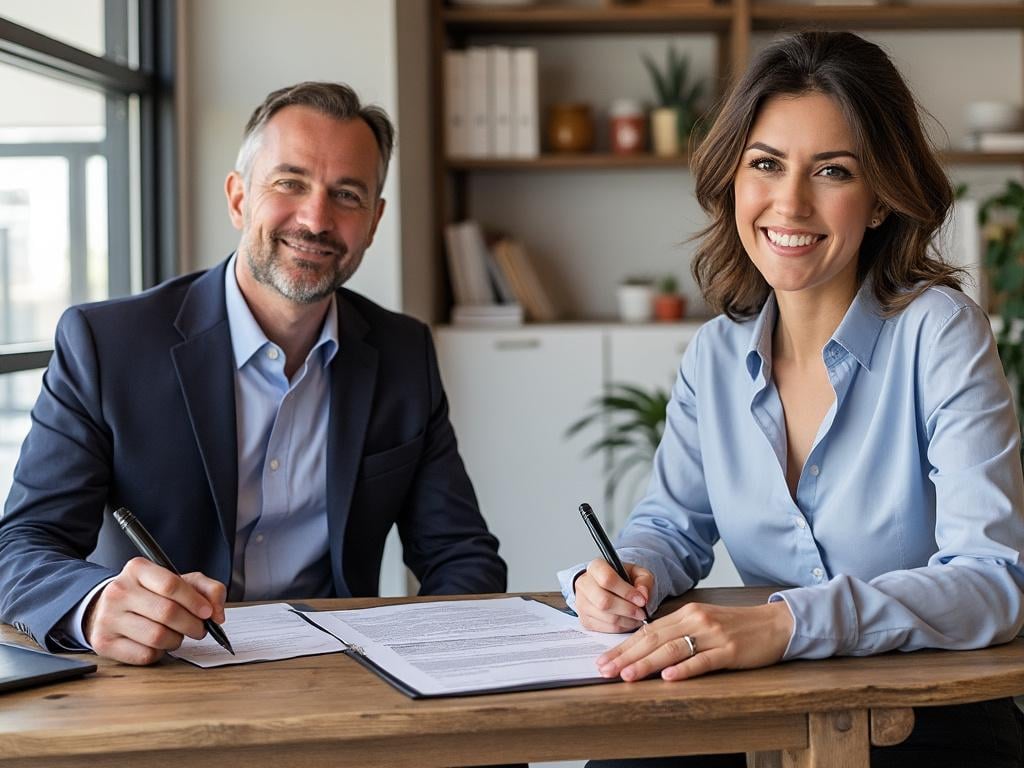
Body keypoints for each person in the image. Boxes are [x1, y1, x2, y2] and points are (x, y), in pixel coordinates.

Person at [560, 31, 1024, 767]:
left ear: (879, 201)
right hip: (764, 710)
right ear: (733, 182)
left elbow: (993, 582)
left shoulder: (940, 332)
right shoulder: (715, 354)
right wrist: (621, 577)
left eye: (833, 171)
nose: (790, 203)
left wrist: (787, 623)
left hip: (930, 719)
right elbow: (669, 528)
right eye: (766, 165)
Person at [0, 81, 507, 666]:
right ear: (239, 198)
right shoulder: (107, 345)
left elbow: (460, 553)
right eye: (289, 183)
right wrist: (93, 606)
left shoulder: (403, 351)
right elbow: (21, 546)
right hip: (167, 674)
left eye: (347, 194)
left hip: (341, 679)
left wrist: (445, 661)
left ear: (373, 221)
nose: (316, 218)